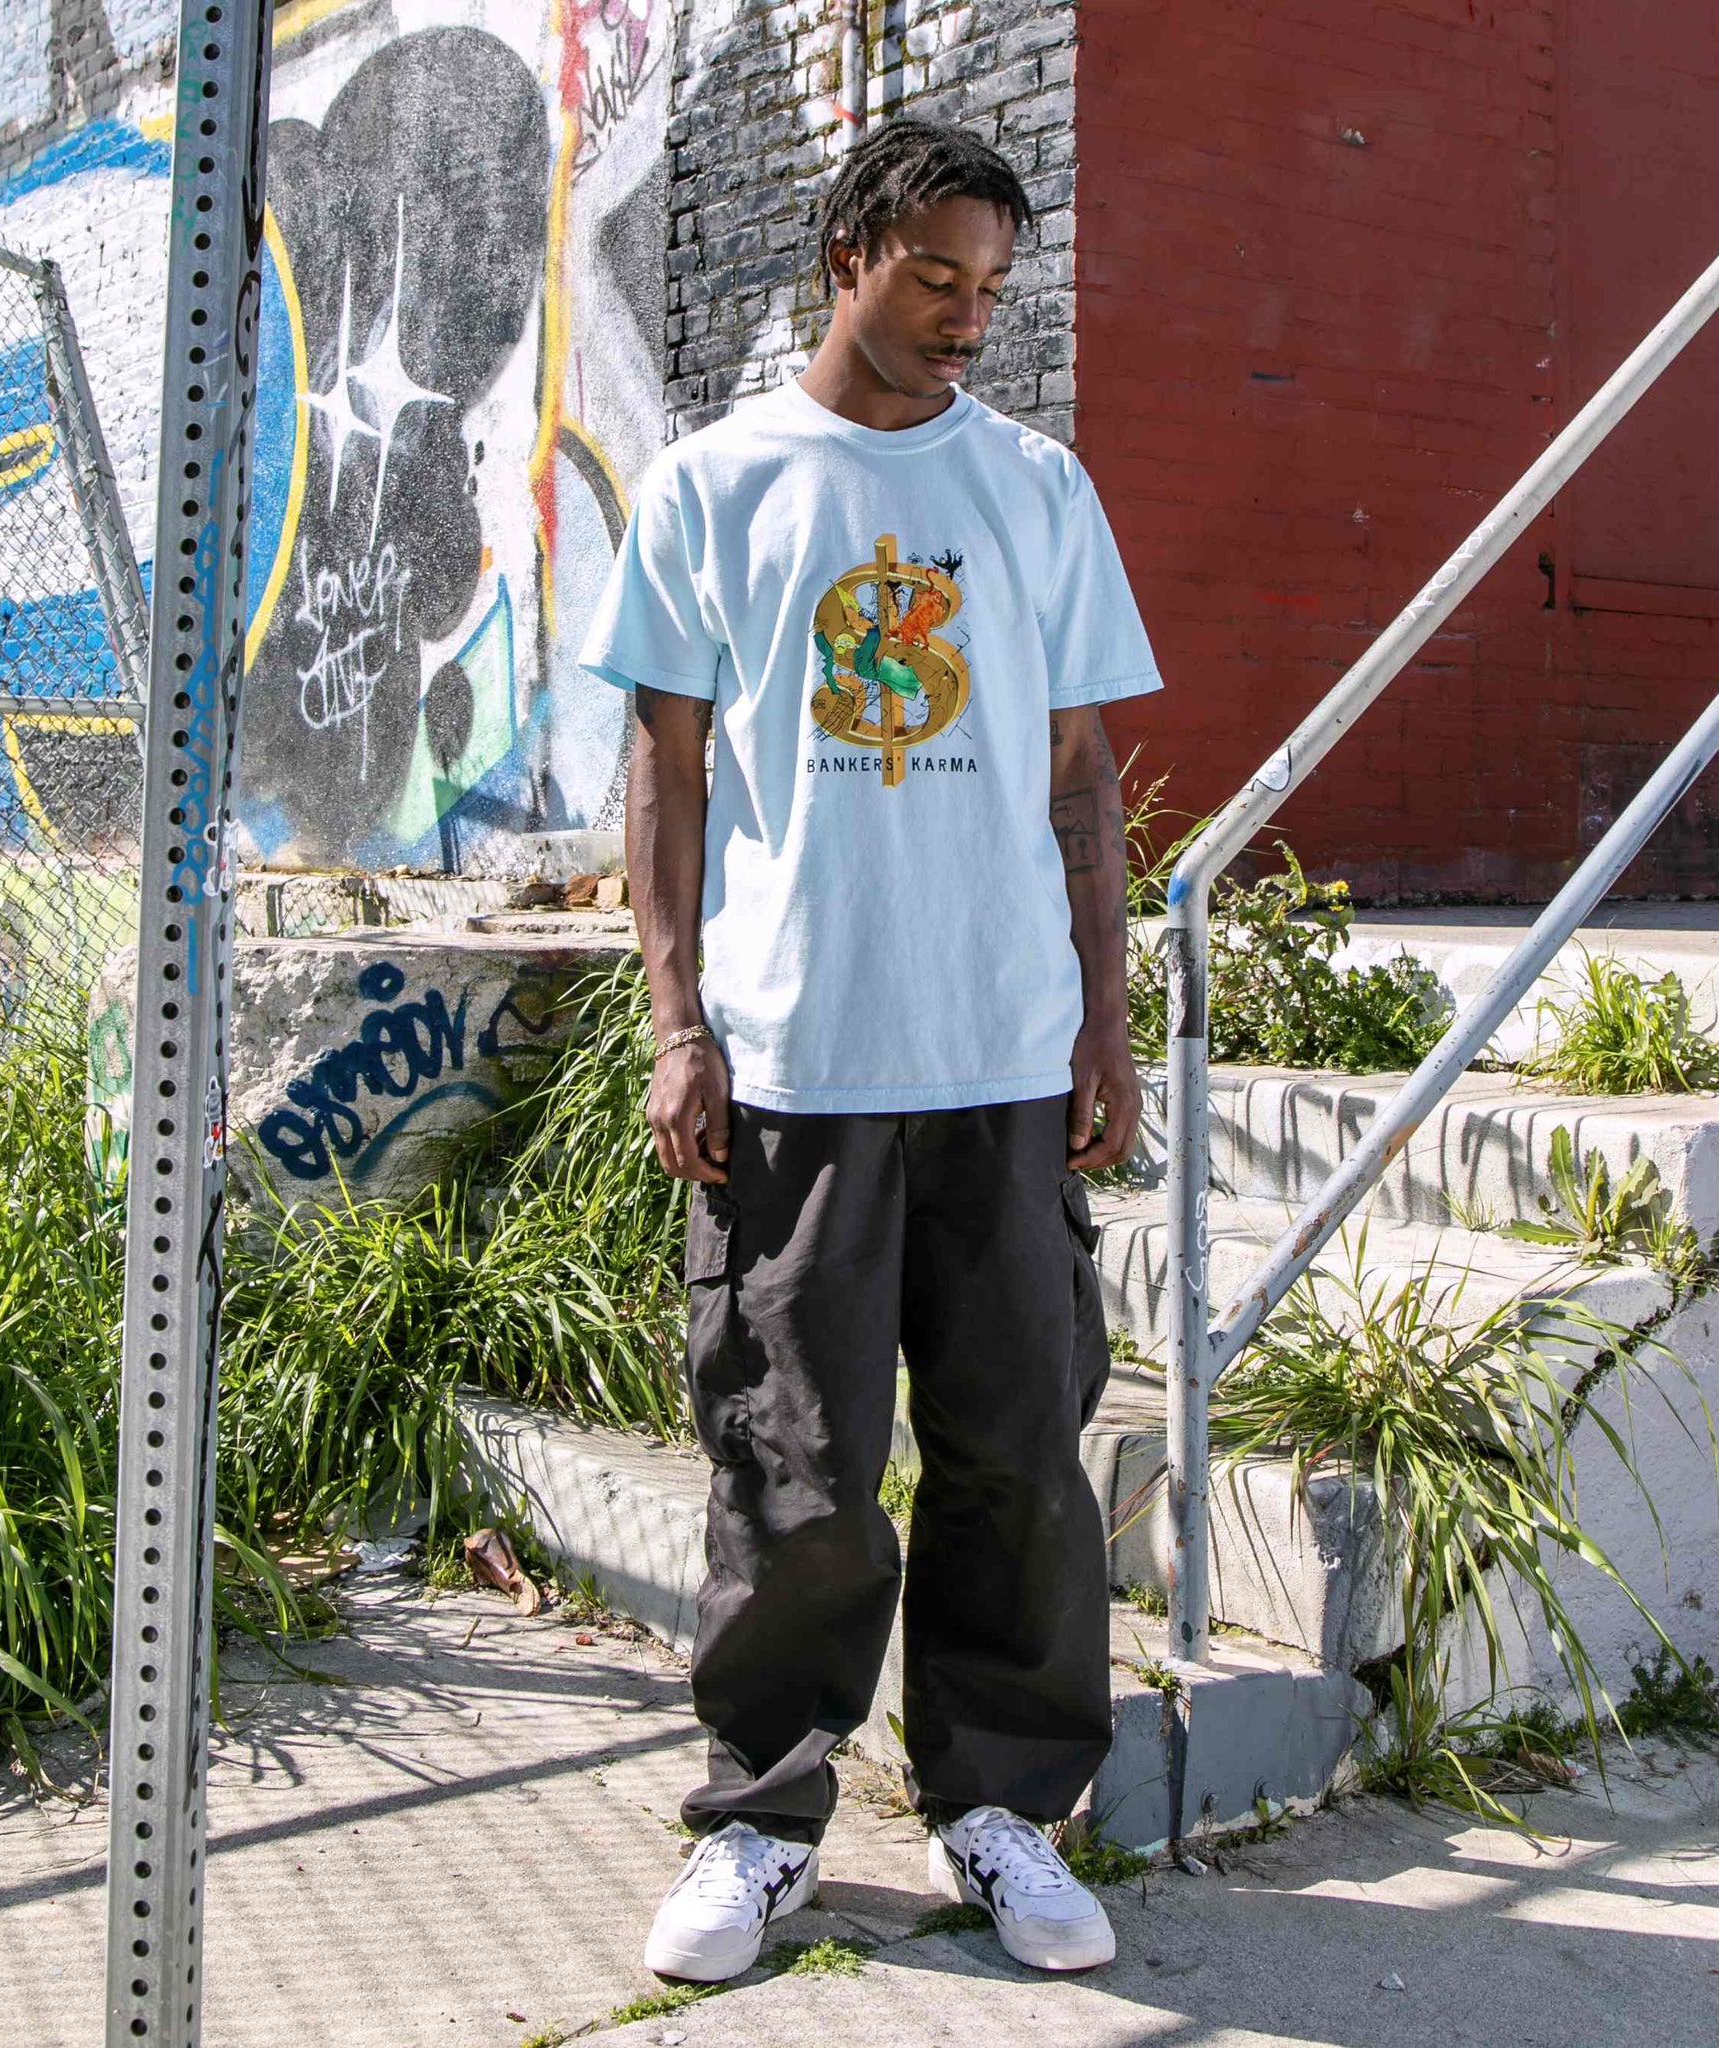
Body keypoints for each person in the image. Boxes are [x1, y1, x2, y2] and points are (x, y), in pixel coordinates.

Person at [579, 115, 1161, 1983]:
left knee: (1018, 1457)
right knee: (797, 1473)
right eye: (934, 279)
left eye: (992, 288)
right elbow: (665, 776)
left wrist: (1105, 1021)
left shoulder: (1039, 490)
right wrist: (677, 1020)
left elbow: (1082, 787)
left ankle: (1001, 1808)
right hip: (798, 1062)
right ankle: (765, 1822)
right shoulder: (715, 486)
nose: (967, 319)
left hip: (997, 1051)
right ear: (849, 256)